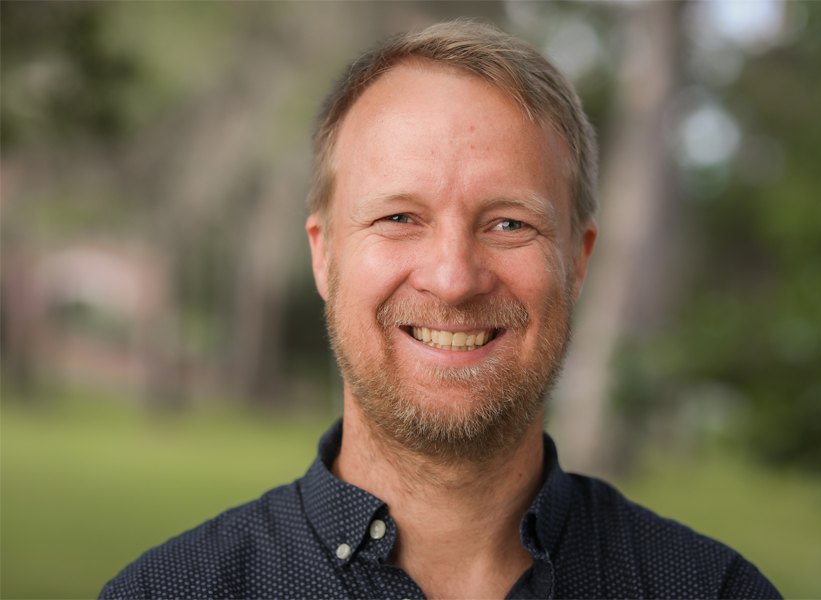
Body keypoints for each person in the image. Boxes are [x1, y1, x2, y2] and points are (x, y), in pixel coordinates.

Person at [100, 20, 781, 600]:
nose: (453, 280)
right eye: (400, 218)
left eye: (509, 224)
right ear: (323, 254)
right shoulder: (170, 592)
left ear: (576, 262)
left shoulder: (710, 590)